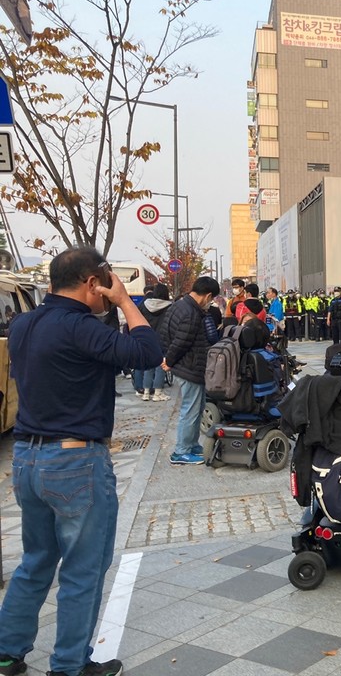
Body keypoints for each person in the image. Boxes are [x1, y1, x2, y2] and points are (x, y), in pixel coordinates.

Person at [0, 247, 162, 676]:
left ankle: (6, 653)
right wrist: (126, 301)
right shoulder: (80, 328)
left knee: (35, 560)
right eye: (104, 285)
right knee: (82, 570)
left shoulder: (22, 325)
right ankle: (68, 667)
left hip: (27, 460)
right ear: (93, 283)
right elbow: (148, 351)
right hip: (74, 463)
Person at [160, 276, 221, 465]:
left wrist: (168, 358)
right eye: (211, 299)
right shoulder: (191, 313)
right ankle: (181, 451)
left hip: (187, 366)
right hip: (190, 367)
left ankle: (192, 444)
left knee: (197, 407)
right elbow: (181, 342)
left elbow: (165, 333)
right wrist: (169, 361)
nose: (210, 303)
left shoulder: (179, 305)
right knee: (191, 410)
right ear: (208, 295)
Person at [134, 283, 173, 402]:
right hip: (163, 339)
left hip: (147, 338)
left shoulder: (143, 305)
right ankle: (157, 393)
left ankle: (146, 393)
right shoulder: (170, 307)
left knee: (148, 366)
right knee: (161, 365)